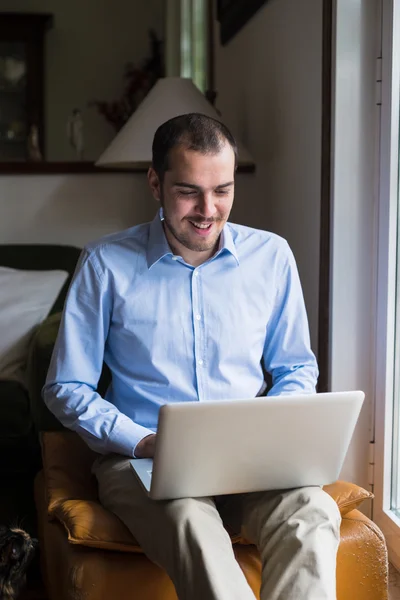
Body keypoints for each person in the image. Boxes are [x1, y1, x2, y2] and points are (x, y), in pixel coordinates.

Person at [43, 113, 341, 600]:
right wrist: (141, 442)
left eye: (222, 190)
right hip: (141, 463)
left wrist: (271, 431)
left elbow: (295, 367)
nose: (208, 209)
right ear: (156, 184)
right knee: (192, 525)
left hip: (251, 462)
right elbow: (66, 387)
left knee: (314, 512)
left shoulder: (272, 257)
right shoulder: (104, 264)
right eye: (189, 191)